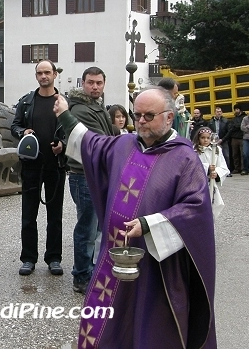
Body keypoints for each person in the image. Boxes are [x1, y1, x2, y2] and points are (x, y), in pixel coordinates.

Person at [54, 87, 216, 348]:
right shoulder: (124, 145)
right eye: (136, 115)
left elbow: (195, 209)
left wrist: (148, 224)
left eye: (148, 115)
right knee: (108, 325)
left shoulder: (184, 158)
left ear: (169, 117)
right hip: (113, 257)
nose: (140, 121)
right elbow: (90, 144)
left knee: (149, 327)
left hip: (157, 268)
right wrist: (65, 115)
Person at [11, 60, 66, 276]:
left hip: (56, 166)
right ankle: (28, 259)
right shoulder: (26, 102)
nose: (43, 76)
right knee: (28, 216)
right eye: (40, 73)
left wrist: (63, 145)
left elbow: (73, 130)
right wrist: (22, 132)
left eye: (47, 72)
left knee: (55, 217)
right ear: (36, 76)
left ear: (55, 74)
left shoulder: (64, 103)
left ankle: (54, 258)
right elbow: (14, 126)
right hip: (31, 167)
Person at [65, 67, 115, 294]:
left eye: (99, 83)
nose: (95, 87)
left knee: (95, 229)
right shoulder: (81, 109)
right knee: (87, 229)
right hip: (83, 175)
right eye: (90, 82)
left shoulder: (97, 106)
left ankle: (90, 270)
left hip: (95, 174)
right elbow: (101, 141)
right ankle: (81, 276)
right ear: (83, 83)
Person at [192, 126, 228, 219]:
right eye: (203, 138)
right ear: (198, 138)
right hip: (198, 185)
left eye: (208, 138)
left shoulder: (216, 150)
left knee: (212, 206)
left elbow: (223, 167)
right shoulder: (194, 150)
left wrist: (216, 173)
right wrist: (207, 168)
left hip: (211, 183)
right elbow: (192, 167)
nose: (205, 140)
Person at [208, 106, 231, 175]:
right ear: (215, 113)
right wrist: (212, 140)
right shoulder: (211, 122)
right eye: (217, 112)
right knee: (215, 156)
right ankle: (217, 171)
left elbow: (229, 132)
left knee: (226, 156)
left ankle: (227, 171)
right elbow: (209, 132)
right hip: (213, 142)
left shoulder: (226, 121)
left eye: (220, 112)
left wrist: (222, 139)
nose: (219, 113)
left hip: (223, 140)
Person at [227, 104, 245, 174]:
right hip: (234, 138)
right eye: (235, 109)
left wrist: (236, 126)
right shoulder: (233, 119)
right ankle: (236, 168)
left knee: (242, 154)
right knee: (235, 155)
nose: (236, 110)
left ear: (240, 110)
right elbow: (231, 128)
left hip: (242, 138)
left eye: (237, 109)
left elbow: (242, 127)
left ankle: (243, 168)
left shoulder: (244, 117)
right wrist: (237, 126)